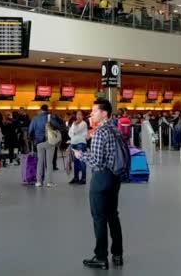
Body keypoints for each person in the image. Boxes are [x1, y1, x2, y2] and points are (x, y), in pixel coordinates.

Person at [74, 100, 123, 270]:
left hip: (101, 179)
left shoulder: (100, 132)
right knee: (113, 216)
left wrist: (81, 155)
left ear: (104, 113)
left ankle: (101, 256)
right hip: (114, 178)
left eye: (94, 111)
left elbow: (96, 161)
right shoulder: (115, 129)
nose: (91, 114)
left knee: (99, 218)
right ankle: (117, 254)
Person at [28, 104, 61, 187]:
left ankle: (39, 182)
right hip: (49, 142)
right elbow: (58, 126)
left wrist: (34, 140)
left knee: (40, 162)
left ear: (41, 110)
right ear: (47, 110)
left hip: (39, 143)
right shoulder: (50, 117)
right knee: (49, 163)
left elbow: (30, 130)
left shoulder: (35, 118)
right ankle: (49, 182)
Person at [69, 110, 88, 185]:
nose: (78, 116)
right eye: (77, 114)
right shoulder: (74, 123)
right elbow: (70, 133)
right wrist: (74, 126)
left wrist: (74, 126)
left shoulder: (83, 123)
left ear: (83, 116)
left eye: (80, 114)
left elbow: (75, 131)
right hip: (74, 143)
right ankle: (76, 177)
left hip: (81, 143)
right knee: (76, 162)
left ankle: (83, 178)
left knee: (82, 161)